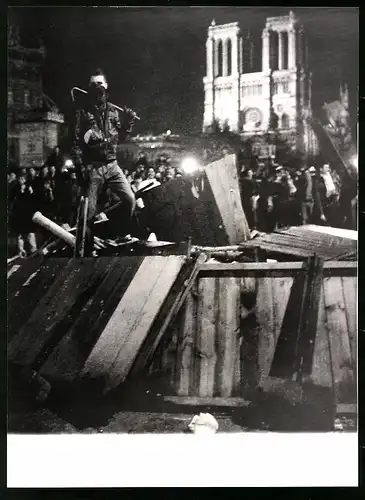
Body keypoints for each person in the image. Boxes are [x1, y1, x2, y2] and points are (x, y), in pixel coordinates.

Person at [70, 68, 137, 253]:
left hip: (112, 165)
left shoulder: (114, 112)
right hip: (94, 168)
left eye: (100, 84)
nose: (97, 88)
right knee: (88, 214)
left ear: (106, 86)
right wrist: (80, 168)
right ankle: (88, 248)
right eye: (93, 84)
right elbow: (75, 142)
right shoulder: (83, 113)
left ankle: (120, 234)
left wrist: (129, 122)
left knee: (130, 200)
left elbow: (120, 138)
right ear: (89, 87)